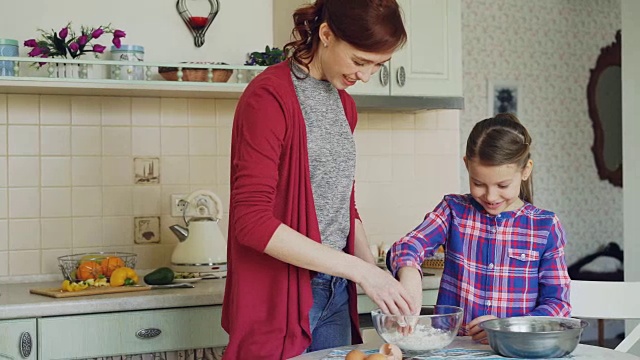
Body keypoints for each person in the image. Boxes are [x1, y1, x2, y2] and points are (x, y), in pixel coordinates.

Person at [221, 1, 417, 358]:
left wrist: (376, 278)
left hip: (336, 293)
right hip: (282, 294)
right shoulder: (269, 97)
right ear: (326, 35)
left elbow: (345, 207)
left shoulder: (344, 104)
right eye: (360, 61)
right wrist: (362, 271)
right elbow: (250, 222)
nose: (366, 76)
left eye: (379, 65)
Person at [388, 113, 571, 343]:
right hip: (452, 349)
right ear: (467, 165)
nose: (491, 196)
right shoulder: (453, 211)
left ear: (525, 171)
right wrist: (409, 273)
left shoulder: (545, 226)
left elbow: (559, 306)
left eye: (503, 185)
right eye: (478, 183)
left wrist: (508, 328)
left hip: (514, 354)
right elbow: (408, 245)